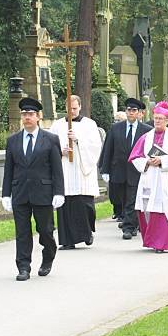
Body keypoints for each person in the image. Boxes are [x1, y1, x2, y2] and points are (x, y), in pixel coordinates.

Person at [1, 97, 64, 281]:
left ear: (38, 117)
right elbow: (9, 169)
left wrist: (59, 192)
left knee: (45, 230)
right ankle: (23, 267)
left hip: (43, 193)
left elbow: (56, 169)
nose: (27, 117)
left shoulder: (50, 139)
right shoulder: (13, 141)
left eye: (30, 114)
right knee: (22, 232)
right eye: (24, 114)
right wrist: (6, 194)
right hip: (20, 192)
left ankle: (48, 257)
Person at [128, 101, 168, 253]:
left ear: (167, 120)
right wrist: (147, 162)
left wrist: (162, 160)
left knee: (162, 211)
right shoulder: (146, 137)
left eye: (161, 119)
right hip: (149, 177)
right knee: (148, 210)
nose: (157, 121)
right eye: (155, 118)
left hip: (165, 179)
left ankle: (161, 244)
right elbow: (135, 157)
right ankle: (150, 241)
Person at [49, 95, 101, 250]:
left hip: (81, 169)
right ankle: (67, 240)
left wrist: (78, 140)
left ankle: (86, 234)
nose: (72, 111)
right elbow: (49, 145)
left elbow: (95, 146)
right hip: (64, 168)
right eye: (69, 108)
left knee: (84, 204)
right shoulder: (57, 125)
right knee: (65, 206)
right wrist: (60, 151)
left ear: (80, 107)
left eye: (75, 108)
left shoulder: (89, 124)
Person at [99, 98, 152, 240]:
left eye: (134, 110)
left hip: (136, 171)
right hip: (119, 170)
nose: (130, 113)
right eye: (128, 110)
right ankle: (132, 223)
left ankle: (128, 227)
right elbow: (108, 149)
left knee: (132, 198)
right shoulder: (116, 128)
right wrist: (105, 169)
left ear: (140, 113)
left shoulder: (146, 130)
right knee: (121, 198)